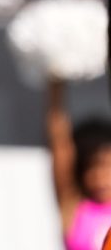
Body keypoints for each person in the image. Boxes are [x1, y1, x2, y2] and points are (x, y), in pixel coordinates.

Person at [46, 79, 111, 250]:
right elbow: (59, 145)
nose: (99, 178)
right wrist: (55, 83)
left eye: (107, 166)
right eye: (90, 168)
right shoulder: (75, 207)